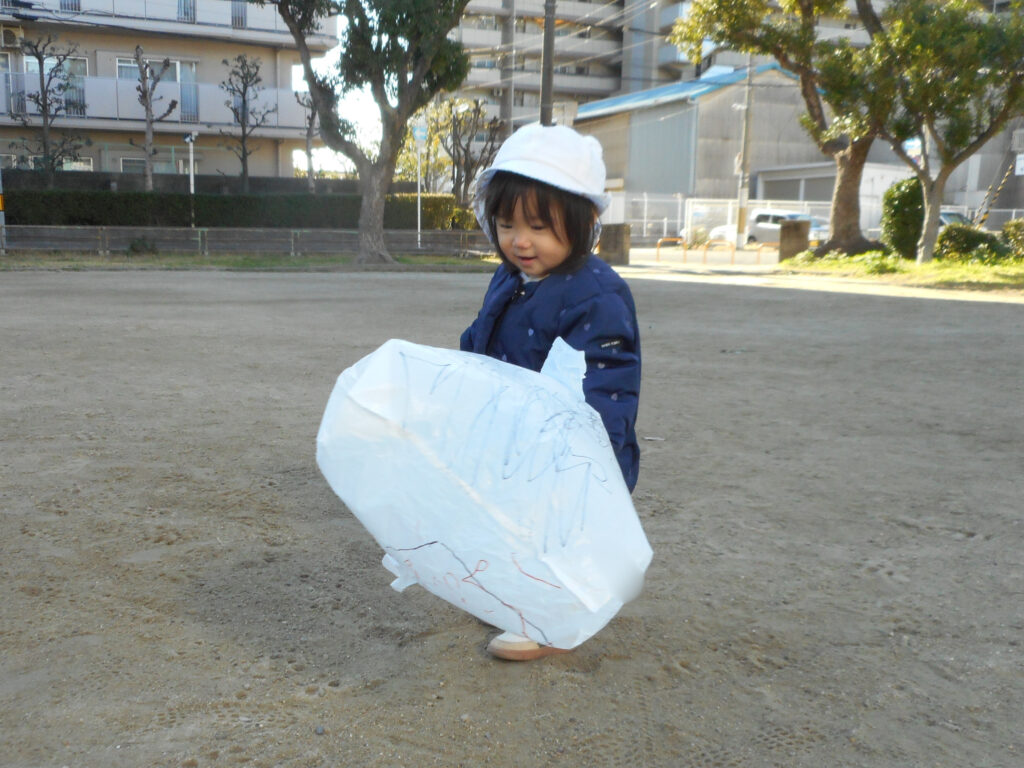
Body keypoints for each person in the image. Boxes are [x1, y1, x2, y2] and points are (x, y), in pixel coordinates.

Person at [460, 123, 641, 661]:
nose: (520, 240)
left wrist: (590, 459)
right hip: (509, 437)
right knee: (507, 525)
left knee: (553, 537)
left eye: (539, 227)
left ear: (582, 224)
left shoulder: (597, 295)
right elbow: (481, 339)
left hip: (566, 452)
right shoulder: (510, 277)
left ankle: (542, 620)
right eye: (507, 223)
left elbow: (609, 380)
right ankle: (509, 596)